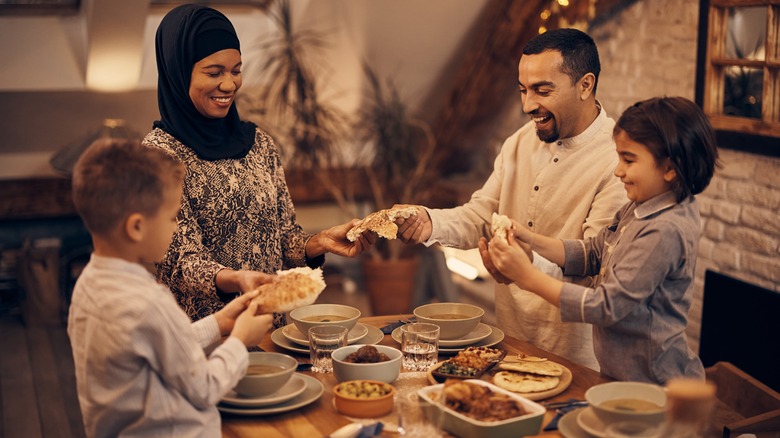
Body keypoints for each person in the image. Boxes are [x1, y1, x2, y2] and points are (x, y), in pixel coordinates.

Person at [396, 28, 626, 369]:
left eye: (542, 90)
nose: (527, 105)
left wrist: (525, 265)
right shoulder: (518, 142)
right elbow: (480, 216)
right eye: (522, 90)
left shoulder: (618, 160)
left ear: (585, 85)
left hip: (576, 357)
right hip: (510, 340)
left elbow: (597, 272)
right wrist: (430, 222)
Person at [143, 4, 374, 326]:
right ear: (178, 72)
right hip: (203, 337)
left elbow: (282, 238)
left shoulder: (258, 143)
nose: (229, 85)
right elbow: (180, 263)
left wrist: (317, 243)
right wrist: (239, 279)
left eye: (236, 70)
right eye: (214, 72)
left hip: (269, 327)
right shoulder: (159, 155)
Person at [487, 96, 719, 383]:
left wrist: (527, 278)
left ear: (671, 168)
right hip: (620, 377)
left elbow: (606, 307)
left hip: (655, 386)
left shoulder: (665, 230)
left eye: (629, 160)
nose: (618, 170)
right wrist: (530, 240)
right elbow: (594, 253)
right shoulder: (640, 206)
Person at [68, 138, 274, 437]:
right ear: (136, 227)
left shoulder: (88, 286)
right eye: (171, 217)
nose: (176, 227)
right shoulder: (148, 302)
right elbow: (205, 386)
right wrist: (240, 340)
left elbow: (160, 345)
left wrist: (220, 323)